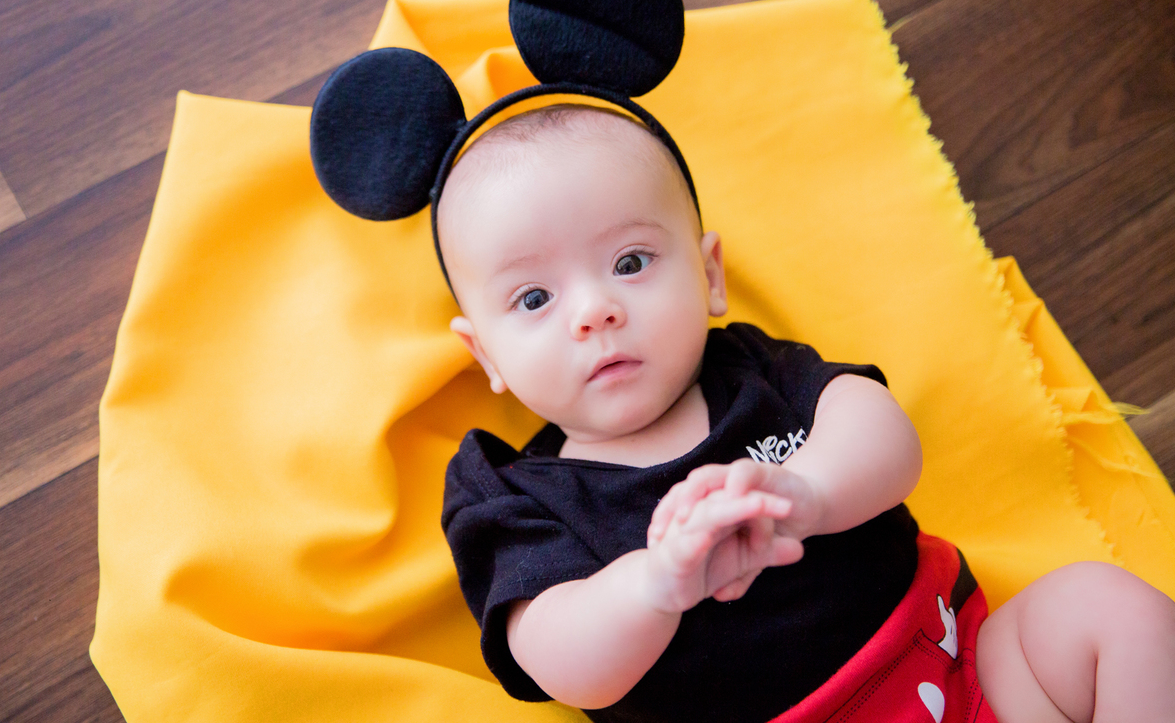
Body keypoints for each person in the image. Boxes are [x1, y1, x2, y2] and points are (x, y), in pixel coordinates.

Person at [436, 104, 1175, 723]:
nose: (597, 311)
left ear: (710, 274)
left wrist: (809, 494)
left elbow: (887, 441)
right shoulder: (513, 493)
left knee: (1108, 608)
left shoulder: (754, 371)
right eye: (535, 299)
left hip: (958, 667)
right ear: (486, 356)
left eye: (631, 262)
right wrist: (659, 582)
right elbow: (566, 665)